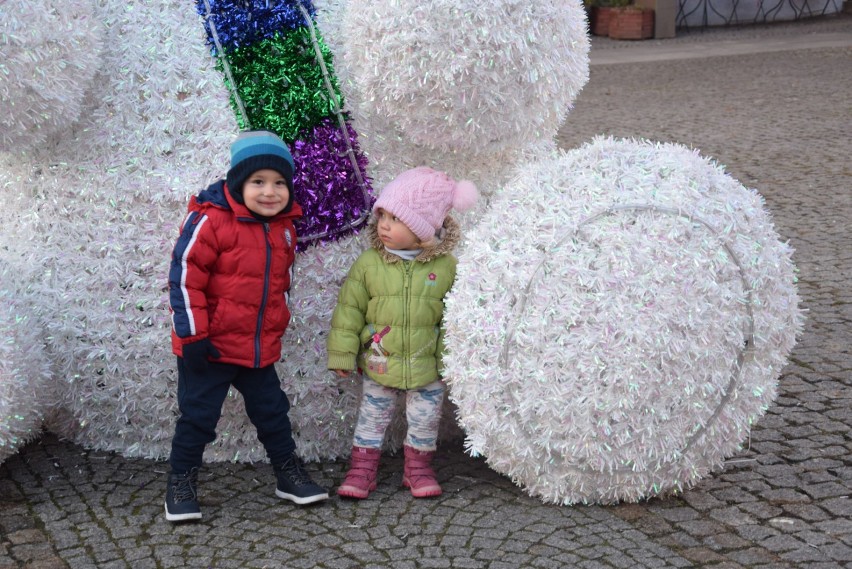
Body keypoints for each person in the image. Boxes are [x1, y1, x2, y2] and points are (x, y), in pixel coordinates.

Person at [165, 130, 328, 522]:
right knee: (198, 417)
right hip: (209, 346)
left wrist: (276, 326)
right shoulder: (211, 219)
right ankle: (180, 482)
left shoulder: (285, 228)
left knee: (273, 411)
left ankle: (287, 473)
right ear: (238, 183)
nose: (269, 192)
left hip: (257, 347)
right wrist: (192, 336)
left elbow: (281, 283)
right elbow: (185, 276)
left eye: (279, 183)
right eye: (258, 182)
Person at [327, 166, 478, 499]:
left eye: (395, 219)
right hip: (380, 362)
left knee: (425, 421)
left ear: (422, 230)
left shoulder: (446, 267)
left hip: (427, 365)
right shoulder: (369, 263)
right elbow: (349, 310)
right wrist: (343, 353)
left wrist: (452, 362)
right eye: (382, 215)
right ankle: (362, 470)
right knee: (372, 417)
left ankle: (418, 469)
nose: (383, 225)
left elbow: (455, 318)